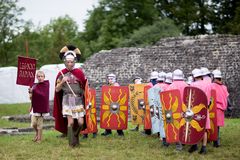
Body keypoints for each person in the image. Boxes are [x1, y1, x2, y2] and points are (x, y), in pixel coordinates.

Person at [53, 45, 87, 147]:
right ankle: (71, 143)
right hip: (67, 100)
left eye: (72, 62)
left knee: (81, 123)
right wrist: (62, 82)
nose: (70, 64)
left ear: (74, 62)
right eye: (68, 62)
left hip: (78, 100)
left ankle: (75, 136)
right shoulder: (61, 74)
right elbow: (57, 89)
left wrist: (87, 100)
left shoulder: (79, 73)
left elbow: (84, 87)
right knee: (71, 123)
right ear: (65, 62)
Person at [188, 68, 211, 154]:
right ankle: (204, 147)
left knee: (194, 127)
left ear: (194, 76)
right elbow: (209, 98)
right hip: (205, 108)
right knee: (204, 129)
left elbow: (190, 98)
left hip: (194, 109)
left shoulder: (192, 85)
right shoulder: (208, 85)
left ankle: (194, 145)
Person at [166, 69, 188, 151]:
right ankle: (184, 141)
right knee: (184, 126)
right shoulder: (187, 85)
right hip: (186, 110)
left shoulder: (171, 86)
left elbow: (167, 100)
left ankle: (179, 146)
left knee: (176, 127)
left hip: (175, 110)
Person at [29, 70, 50, 143]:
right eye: (39, 76)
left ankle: (39, 139)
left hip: (41, 108)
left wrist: (34, 91)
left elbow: (42, 95)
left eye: (42, 76)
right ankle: (37, 133)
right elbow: (32, 98)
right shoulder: (34, 86)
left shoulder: (46, 85)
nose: (40, 78)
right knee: (33, 124)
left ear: (44, 77)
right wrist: (31, 92)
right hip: (34, 108)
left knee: (39, 125)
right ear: (36, 77)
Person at [211, 69, 229, 148]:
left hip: (214, 108)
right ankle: (216, 141)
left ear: (214, 77)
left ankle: (215, 141)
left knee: (212, 125)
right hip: (221, 109)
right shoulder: (224, 87)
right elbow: (227, 98)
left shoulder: (211, 86)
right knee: (217, 126)